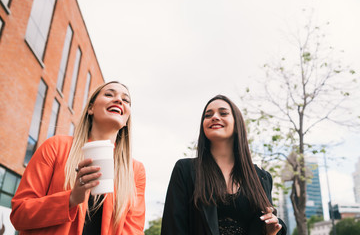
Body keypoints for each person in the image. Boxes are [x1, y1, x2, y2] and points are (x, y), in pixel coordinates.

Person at [11, 81, 146, 235]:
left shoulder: (135, 171)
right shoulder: (55, 147)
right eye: (109, 94)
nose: (119, 101)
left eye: (126, 100)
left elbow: (133, 230)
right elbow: (19, 215)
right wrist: (71, 199)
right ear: (91, 108)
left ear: (126, 119)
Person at [161, 95, 287, 235]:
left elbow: (265, 226)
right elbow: (172, 228)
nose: (214, 117)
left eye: (223, 113)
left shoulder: (261, 178)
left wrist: (271, 231)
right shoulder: (185, 170)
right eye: (208, 115)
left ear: (237, 124)